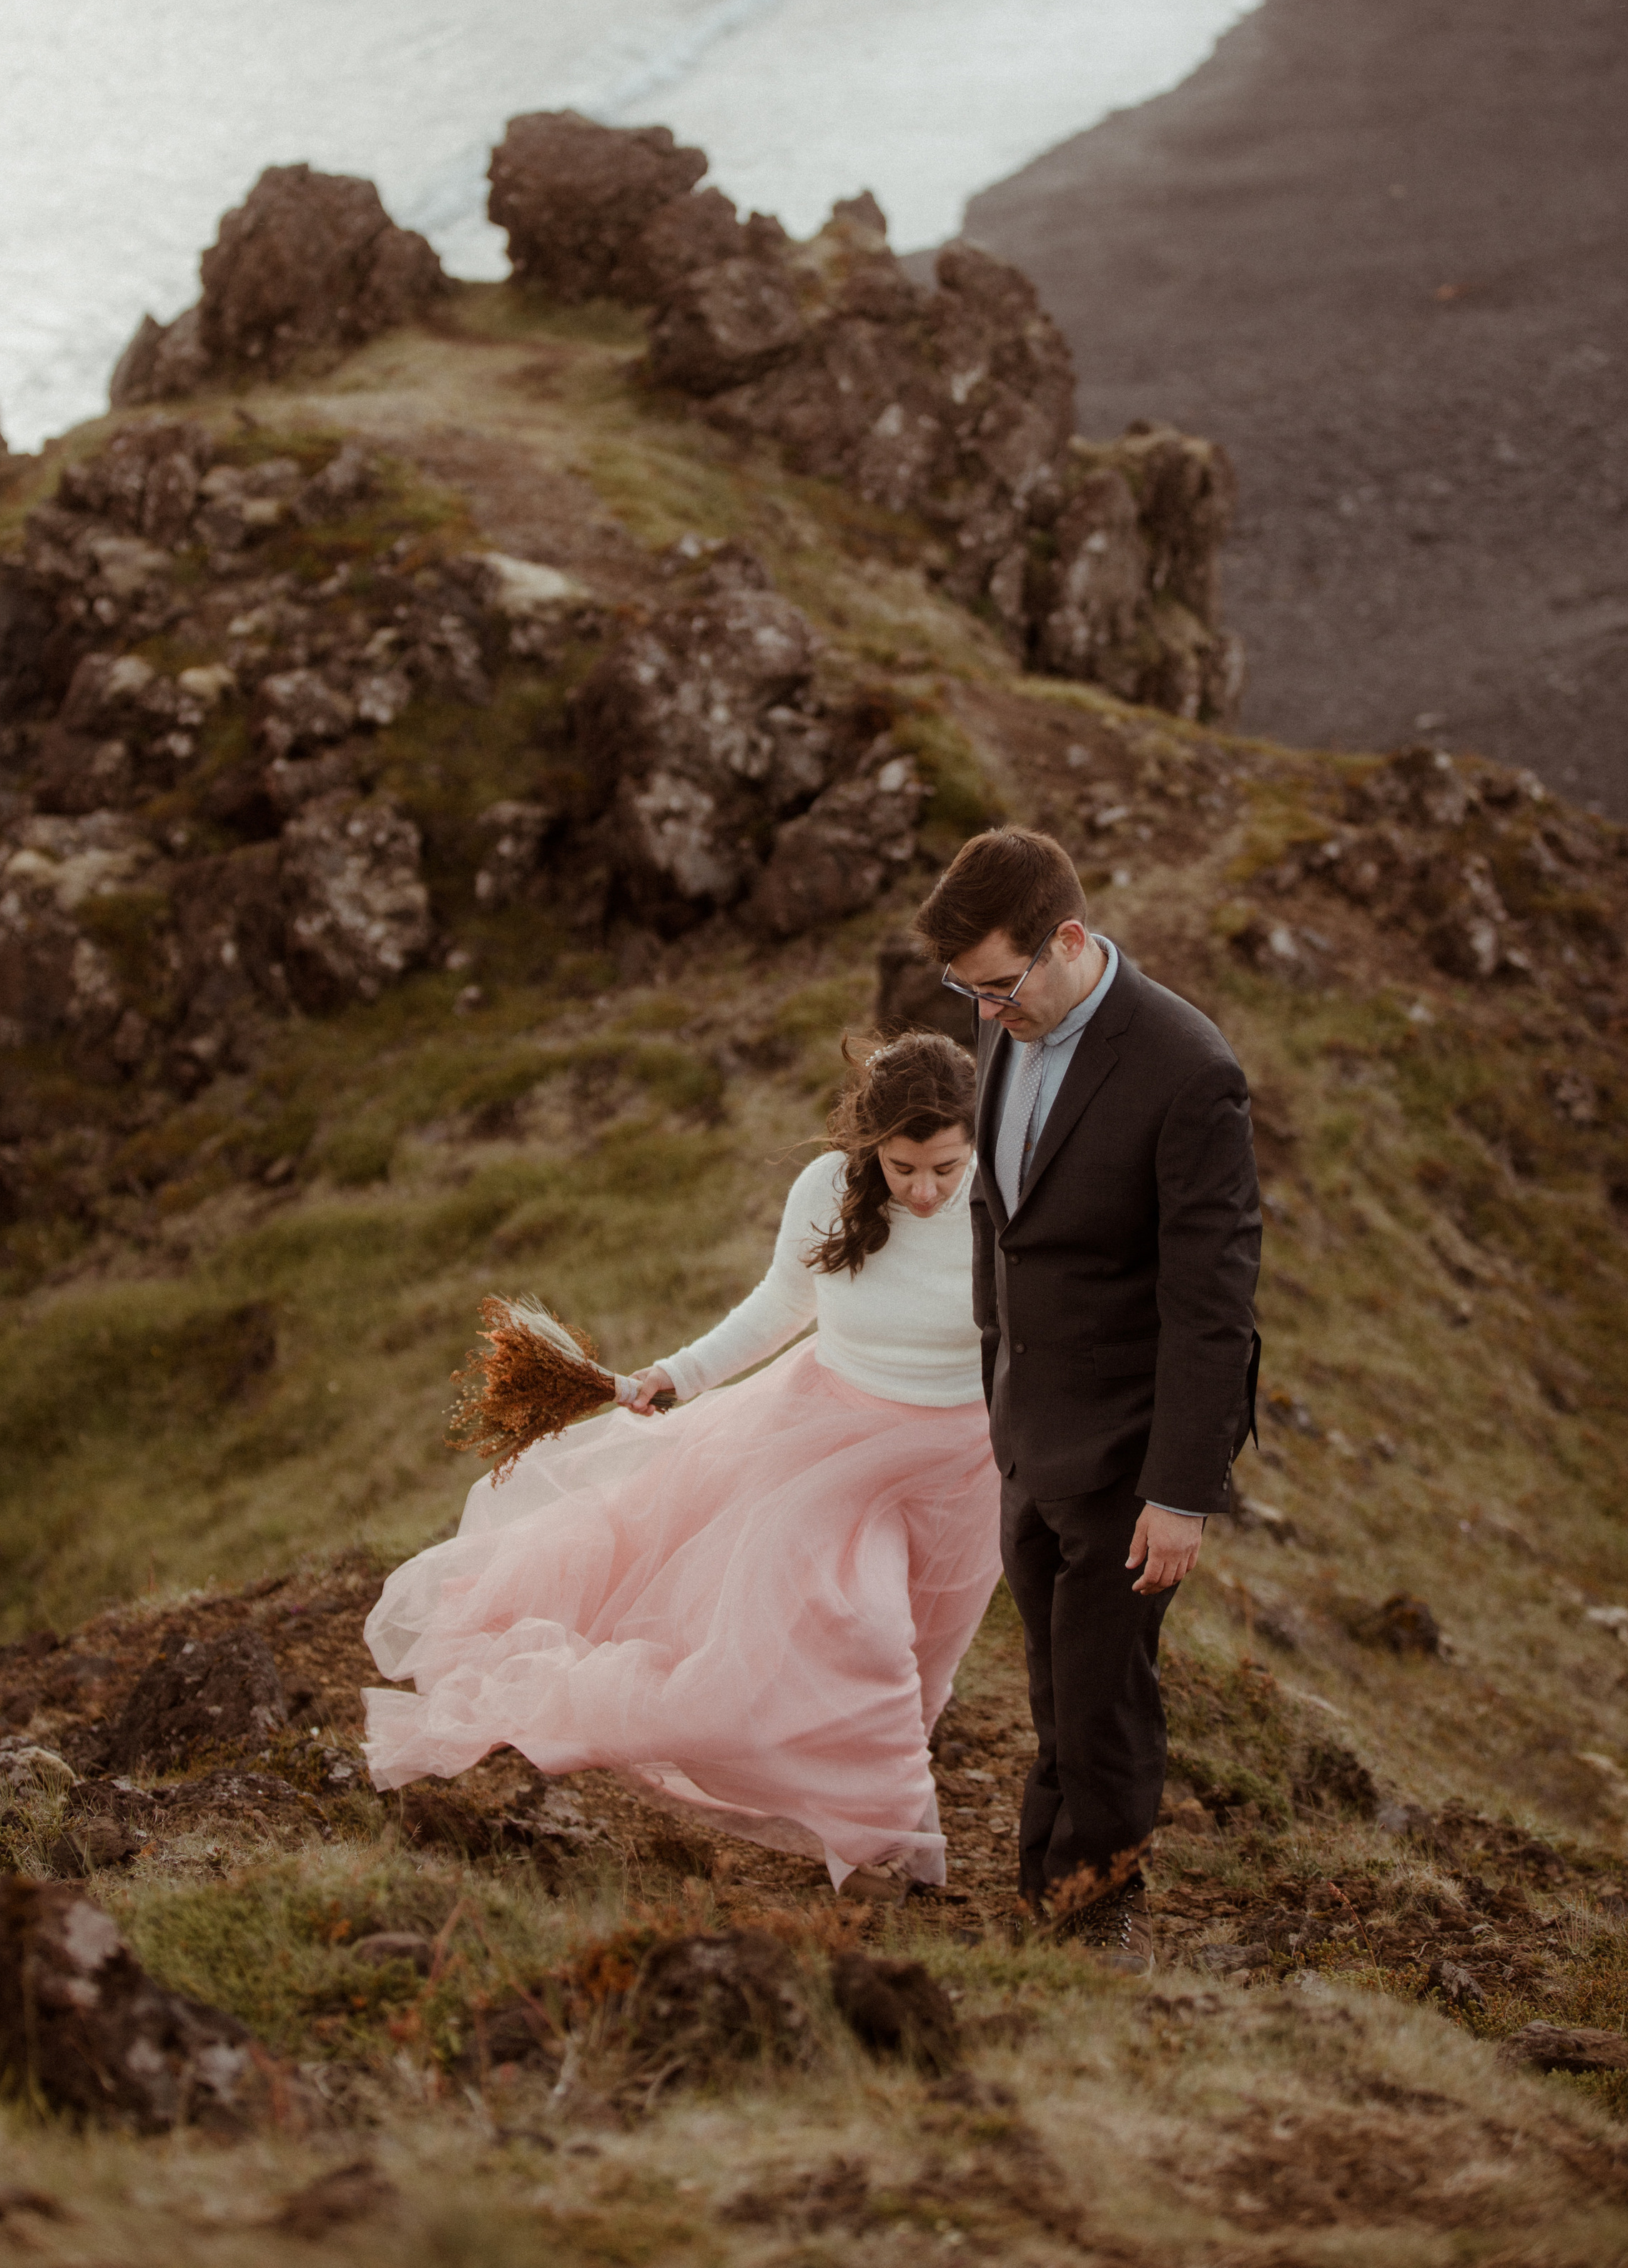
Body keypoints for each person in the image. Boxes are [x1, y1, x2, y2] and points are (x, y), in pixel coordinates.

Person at [362, 1031, 1002, 1893]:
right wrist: (681, 1373)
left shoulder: (1007, 1196)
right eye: (901, 1168)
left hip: (965, 1463)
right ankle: (897, 1851)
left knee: (923, 1667)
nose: (924, 1190)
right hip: (828, 1442)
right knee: (866, 1635)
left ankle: (882, 1796)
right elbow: (781, 1303)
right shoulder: (824, 1191)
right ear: (868, 1150)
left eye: (944, 1168)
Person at [911, 827, 1261, 1974]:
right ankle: (1039, 1904)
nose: (986, 1009)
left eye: (1001, 985)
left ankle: (1101, 1918)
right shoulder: (1003, 1020)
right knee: (1055, 1686)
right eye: (968, 990)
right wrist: (989, 1379)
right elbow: (996, 1224)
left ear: (1069, 940)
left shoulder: (1187, 1069)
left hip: (1126, 1459)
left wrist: (1181, 1492)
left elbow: (1213, 1304)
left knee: (1107, 1697)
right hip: (1025, 1432)